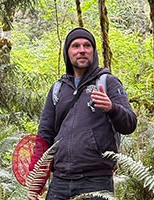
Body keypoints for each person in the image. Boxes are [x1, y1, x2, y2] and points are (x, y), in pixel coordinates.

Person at [31, 27, 137, 199]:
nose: (82, 50)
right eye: (76, 46)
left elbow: (130, 124)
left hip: (96, 180)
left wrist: (112, 108)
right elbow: (44, 135)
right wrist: (36, 179)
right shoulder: (58, 89)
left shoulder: (108, 82)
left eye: (87, 46)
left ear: (93, 52)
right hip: (60, 181)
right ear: (68, 52)